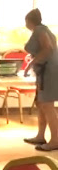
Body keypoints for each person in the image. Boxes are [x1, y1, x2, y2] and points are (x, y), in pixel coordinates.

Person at [22, 8, 58, 151]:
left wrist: (31, 63)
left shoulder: (39, 31)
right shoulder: (44, 30)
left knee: (47, 105)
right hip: (46, 72)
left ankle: (55, 140)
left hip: (48, 73)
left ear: (29, 21)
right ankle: (40, 135)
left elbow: (47, 49)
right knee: (40, 103)